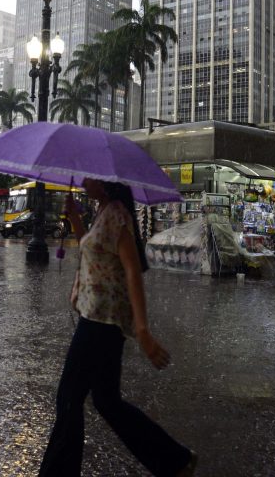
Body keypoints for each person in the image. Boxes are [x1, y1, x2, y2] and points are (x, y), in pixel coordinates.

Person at [39, 178, 196, 477]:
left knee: (69, 398)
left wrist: (143, 331)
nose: (83, 181)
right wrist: (74, 219)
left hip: (102, 321)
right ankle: (175, 460)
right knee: (107, 402)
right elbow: (96, 251)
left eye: (89, 177)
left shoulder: (117, 213)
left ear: (105, 182)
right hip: (98, 318)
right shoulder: (103, 212)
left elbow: (132, 269)